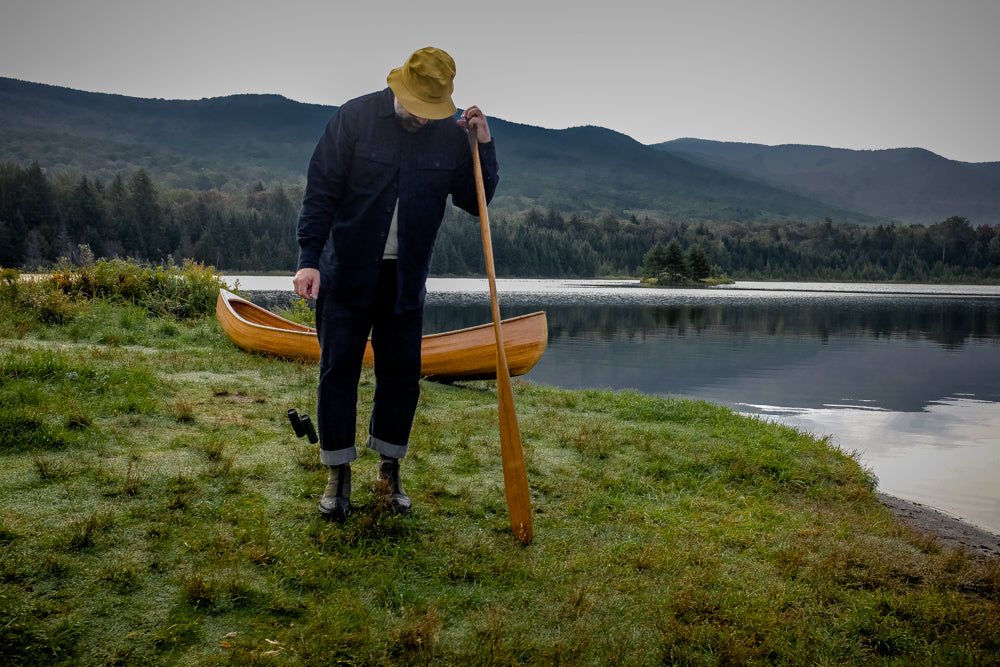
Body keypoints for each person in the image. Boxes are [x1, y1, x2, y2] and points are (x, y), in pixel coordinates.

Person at [293, 47, 499, 520]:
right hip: (346, 273)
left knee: (402, 376)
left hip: (405, 280)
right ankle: (337, 474)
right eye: (417, 108)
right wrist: (309, 259)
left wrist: (483, 147)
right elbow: (321, 189)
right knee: (338, 372)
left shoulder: (452, 135)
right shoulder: (355, 119)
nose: (424, 120)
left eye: (433, 111)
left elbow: (476, 200)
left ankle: (389, 469)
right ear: (399, 89)